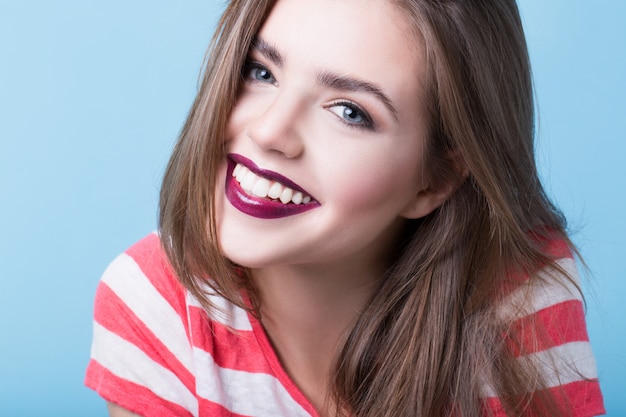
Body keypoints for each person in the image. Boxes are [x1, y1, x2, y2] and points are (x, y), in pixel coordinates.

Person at [85, 0, 605, 416]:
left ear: (436, 179)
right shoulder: (153, 305)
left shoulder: (519, 299)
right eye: (261, 71)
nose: (269, 132)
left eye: (350, 111)